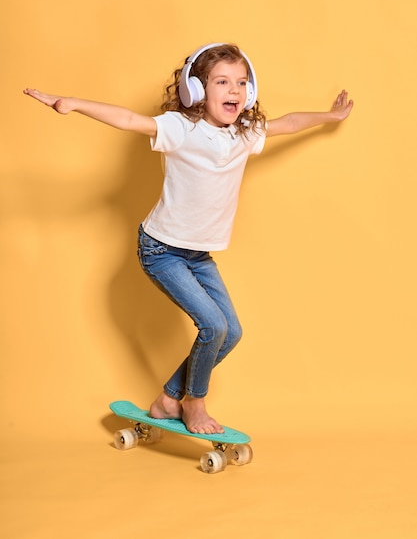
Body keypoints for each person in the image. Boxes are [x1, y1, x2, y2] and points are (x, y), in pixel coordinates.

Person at [24, 42, 353, 435]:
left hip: (197, 255)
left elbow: (289, 122)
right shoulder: (182, 129)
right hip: (161, 250)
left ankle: (167, 400)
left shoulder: (245, 133)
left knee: (231, 331)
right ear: (196, 90)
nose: (235, 90)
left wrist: (329, 116)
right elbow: (128, 119)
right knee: (213, 325)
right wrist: (73, 103)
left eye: (242, 82)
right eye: (222, 82)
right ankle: (194, 405)